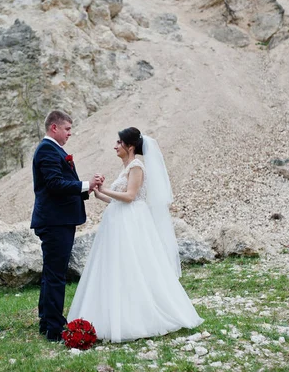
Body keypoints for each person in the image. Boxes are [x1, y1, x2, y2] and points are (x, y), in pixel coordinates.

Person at [67, 127, 203, 343]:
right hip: (118, 221)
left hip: (131, 222)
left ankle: (142, 316)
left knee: (135, 265)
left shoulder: (137, 166)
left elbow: (130, 196)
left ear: (130, 146)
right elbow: (116, 199)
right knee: (117, 267)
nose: (115, 146)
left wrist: (106, 191)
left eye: (119, 142)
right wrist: (99, 191)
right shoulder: (126, 168)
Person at [31, 110, 103, 342]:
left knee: (51, 272)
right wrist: (85, 184)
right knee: (55, 275)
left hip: (57, 220)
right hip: (55, 221)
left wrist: (86, 187)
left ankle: (46, 320)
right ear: (54, 128)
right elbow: (54, 184)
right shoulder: (47, 150)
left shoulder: (53, 150)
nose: (70, 133)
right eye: (67, 129)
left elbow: (61, 183)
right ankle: (54, 328)